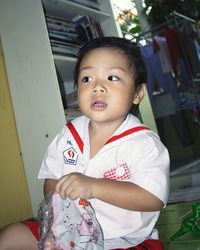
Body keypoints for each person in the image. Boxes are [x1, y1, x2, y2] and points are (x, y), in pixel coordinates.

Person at [0, 36, 169, 250]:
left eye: (112, 77)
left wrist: (93, 187)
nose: (97, 87)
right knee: (10, 236)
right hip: (69, 233)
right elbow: (51, 178)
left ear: (137, 93)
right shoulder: (68, 135)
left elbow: (152, 198)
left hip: (125, 240)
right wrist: (57, 208)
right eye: (87, 79)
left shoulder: (144, 143)